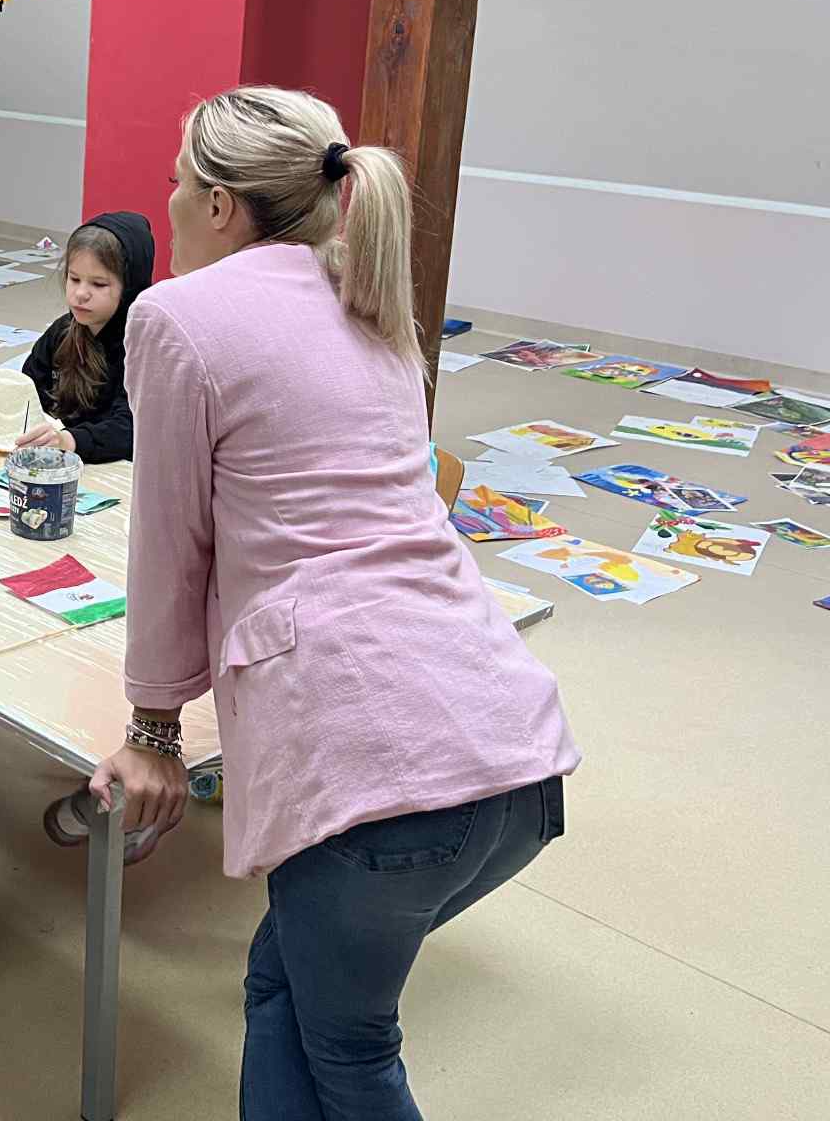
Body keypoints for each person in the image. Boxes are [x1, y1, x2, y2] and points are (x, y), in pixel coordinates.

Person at [89, 86, 579, 1119]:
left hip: (378, 775)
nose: (167, 201)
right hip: (509, 750)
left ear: (218, 205)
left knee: (351, 1052)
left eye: (177, 182)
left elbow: (168, 542)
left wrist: (152, 732)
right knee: (283, 989)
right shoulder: (367, 297)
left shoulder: (176, 316)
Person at [0, 212, 154, 463]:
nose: (81, 293)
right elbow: (24, 396)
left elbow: (131, 430)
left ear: (129, 287)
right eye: (74, 279)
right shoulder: (62, 332)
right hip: (57, 462)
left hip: (112, 469)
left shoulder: (143, 347)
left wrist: (68, 441)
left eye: (99, 284)